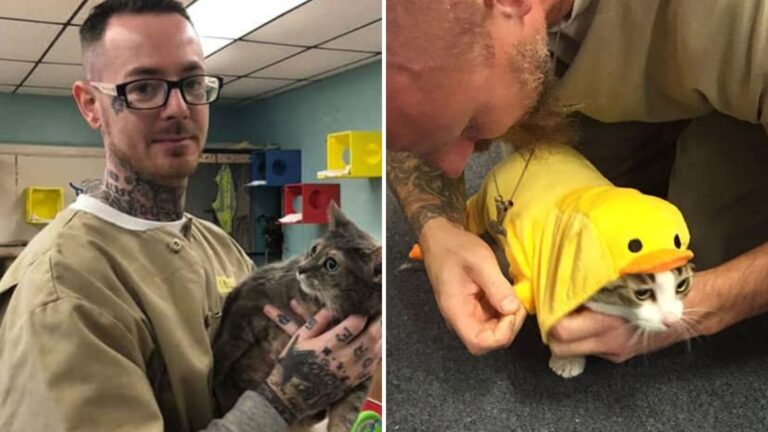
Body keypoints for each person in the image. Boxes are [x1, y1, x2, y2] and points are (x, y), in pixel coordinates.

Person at [0, 1, 380, 431]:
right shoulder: (65, 287)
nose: (179, 107)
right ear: (91, 104)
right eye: (144, 87)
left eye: (192, 83)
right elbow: (276, 402)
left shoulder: (217, 245)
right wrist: (282, 401)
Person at [387, 0, 768, 362]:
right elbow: (416, 116)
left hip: (738, 54)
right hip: (631, 63)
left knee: (704, 249)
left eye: (470, 122)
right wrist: (440, 231)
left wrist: (698, 308)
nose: (455, 169)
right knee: (577, 225)